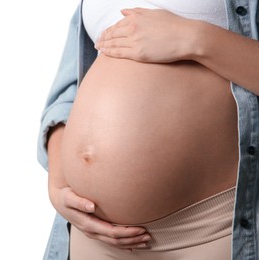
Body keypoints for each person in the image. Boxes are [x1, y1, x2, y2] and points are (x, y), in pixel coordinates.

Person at [38, 0, 259, 259]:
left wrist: (197, 39)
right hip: (91, 234)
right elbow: (69, 89)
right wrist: (58, 180)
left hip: (211, 229)